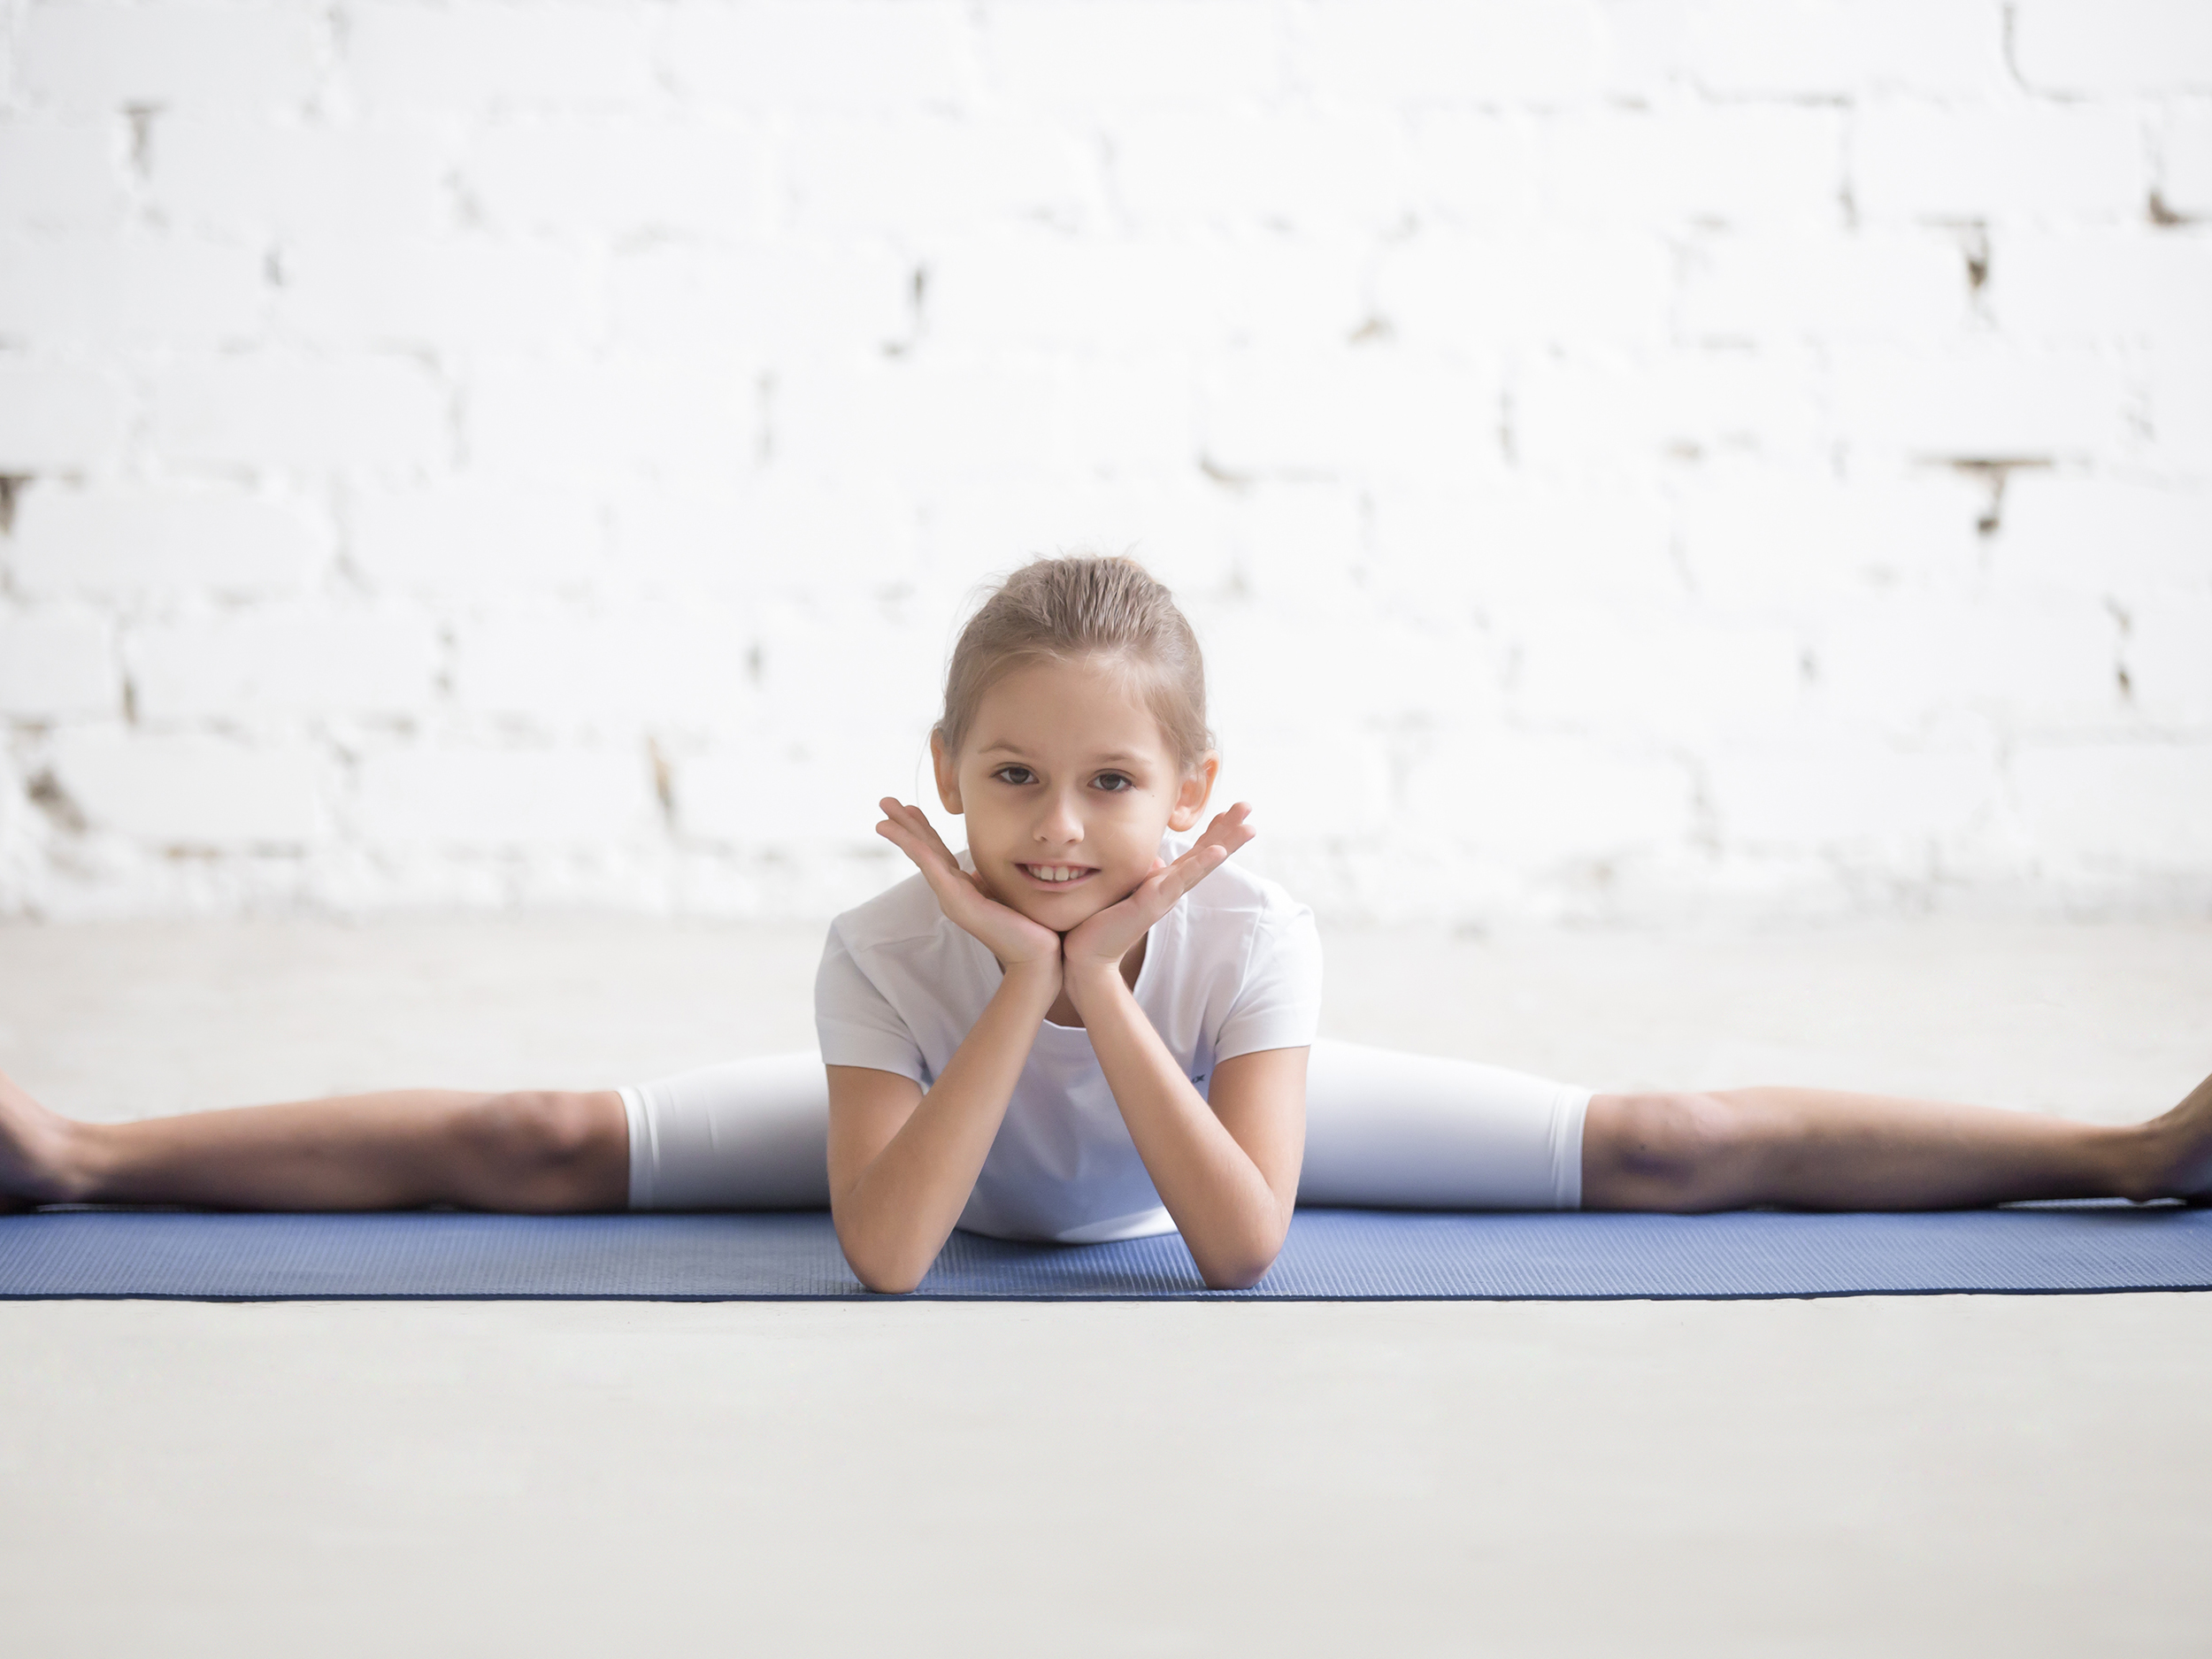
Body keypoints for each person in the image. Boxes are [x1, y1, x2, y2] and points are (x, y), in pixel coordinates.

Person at [3, 556, 2207, 1293]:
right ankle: (84, 1153)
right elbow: (889, 1247)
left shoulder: (1257, 939)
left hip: (1192, 1151)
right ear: (946, 776)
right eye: (1015, 780)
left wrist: (1095, 986)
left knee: (1659, 1136)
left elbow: (1238, 1240)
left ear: (1195, 792)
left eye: (1113, 783)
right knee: (536, 1127)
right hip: (941, 1138)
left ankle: (2117, 1148)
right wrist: (1007, 976)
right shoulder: (885, 941)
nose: (1062, 824)